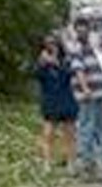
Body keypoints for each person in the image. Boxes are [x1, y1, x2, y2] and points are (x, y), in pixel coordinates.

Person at [66, 19, 102, 175]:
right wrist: (85, 88)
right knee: (87, 127)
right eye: (79, 30)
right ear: (76, 31)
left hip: (99, 93)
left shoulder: (90, 47)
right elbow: (78, 70)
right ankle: (87, 161)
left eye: (85, 30)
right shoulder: (76, 48)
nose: (83, 32)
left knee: (101, 126)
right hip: (87, 95)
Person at [33, 36, 77, 169]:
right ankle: (47, 163)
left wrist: (56, 63)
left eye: (54, 44)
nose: (52, 47)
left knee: (69, 134)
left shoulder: (66, 61)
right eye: (48, 44)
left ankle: (70, 163)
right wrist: (42, 63)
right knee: (48, 134)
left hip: (66, 100)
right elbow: (36, 75)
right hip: (50, 102)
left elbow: (70, 74)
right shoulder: (41, 64)